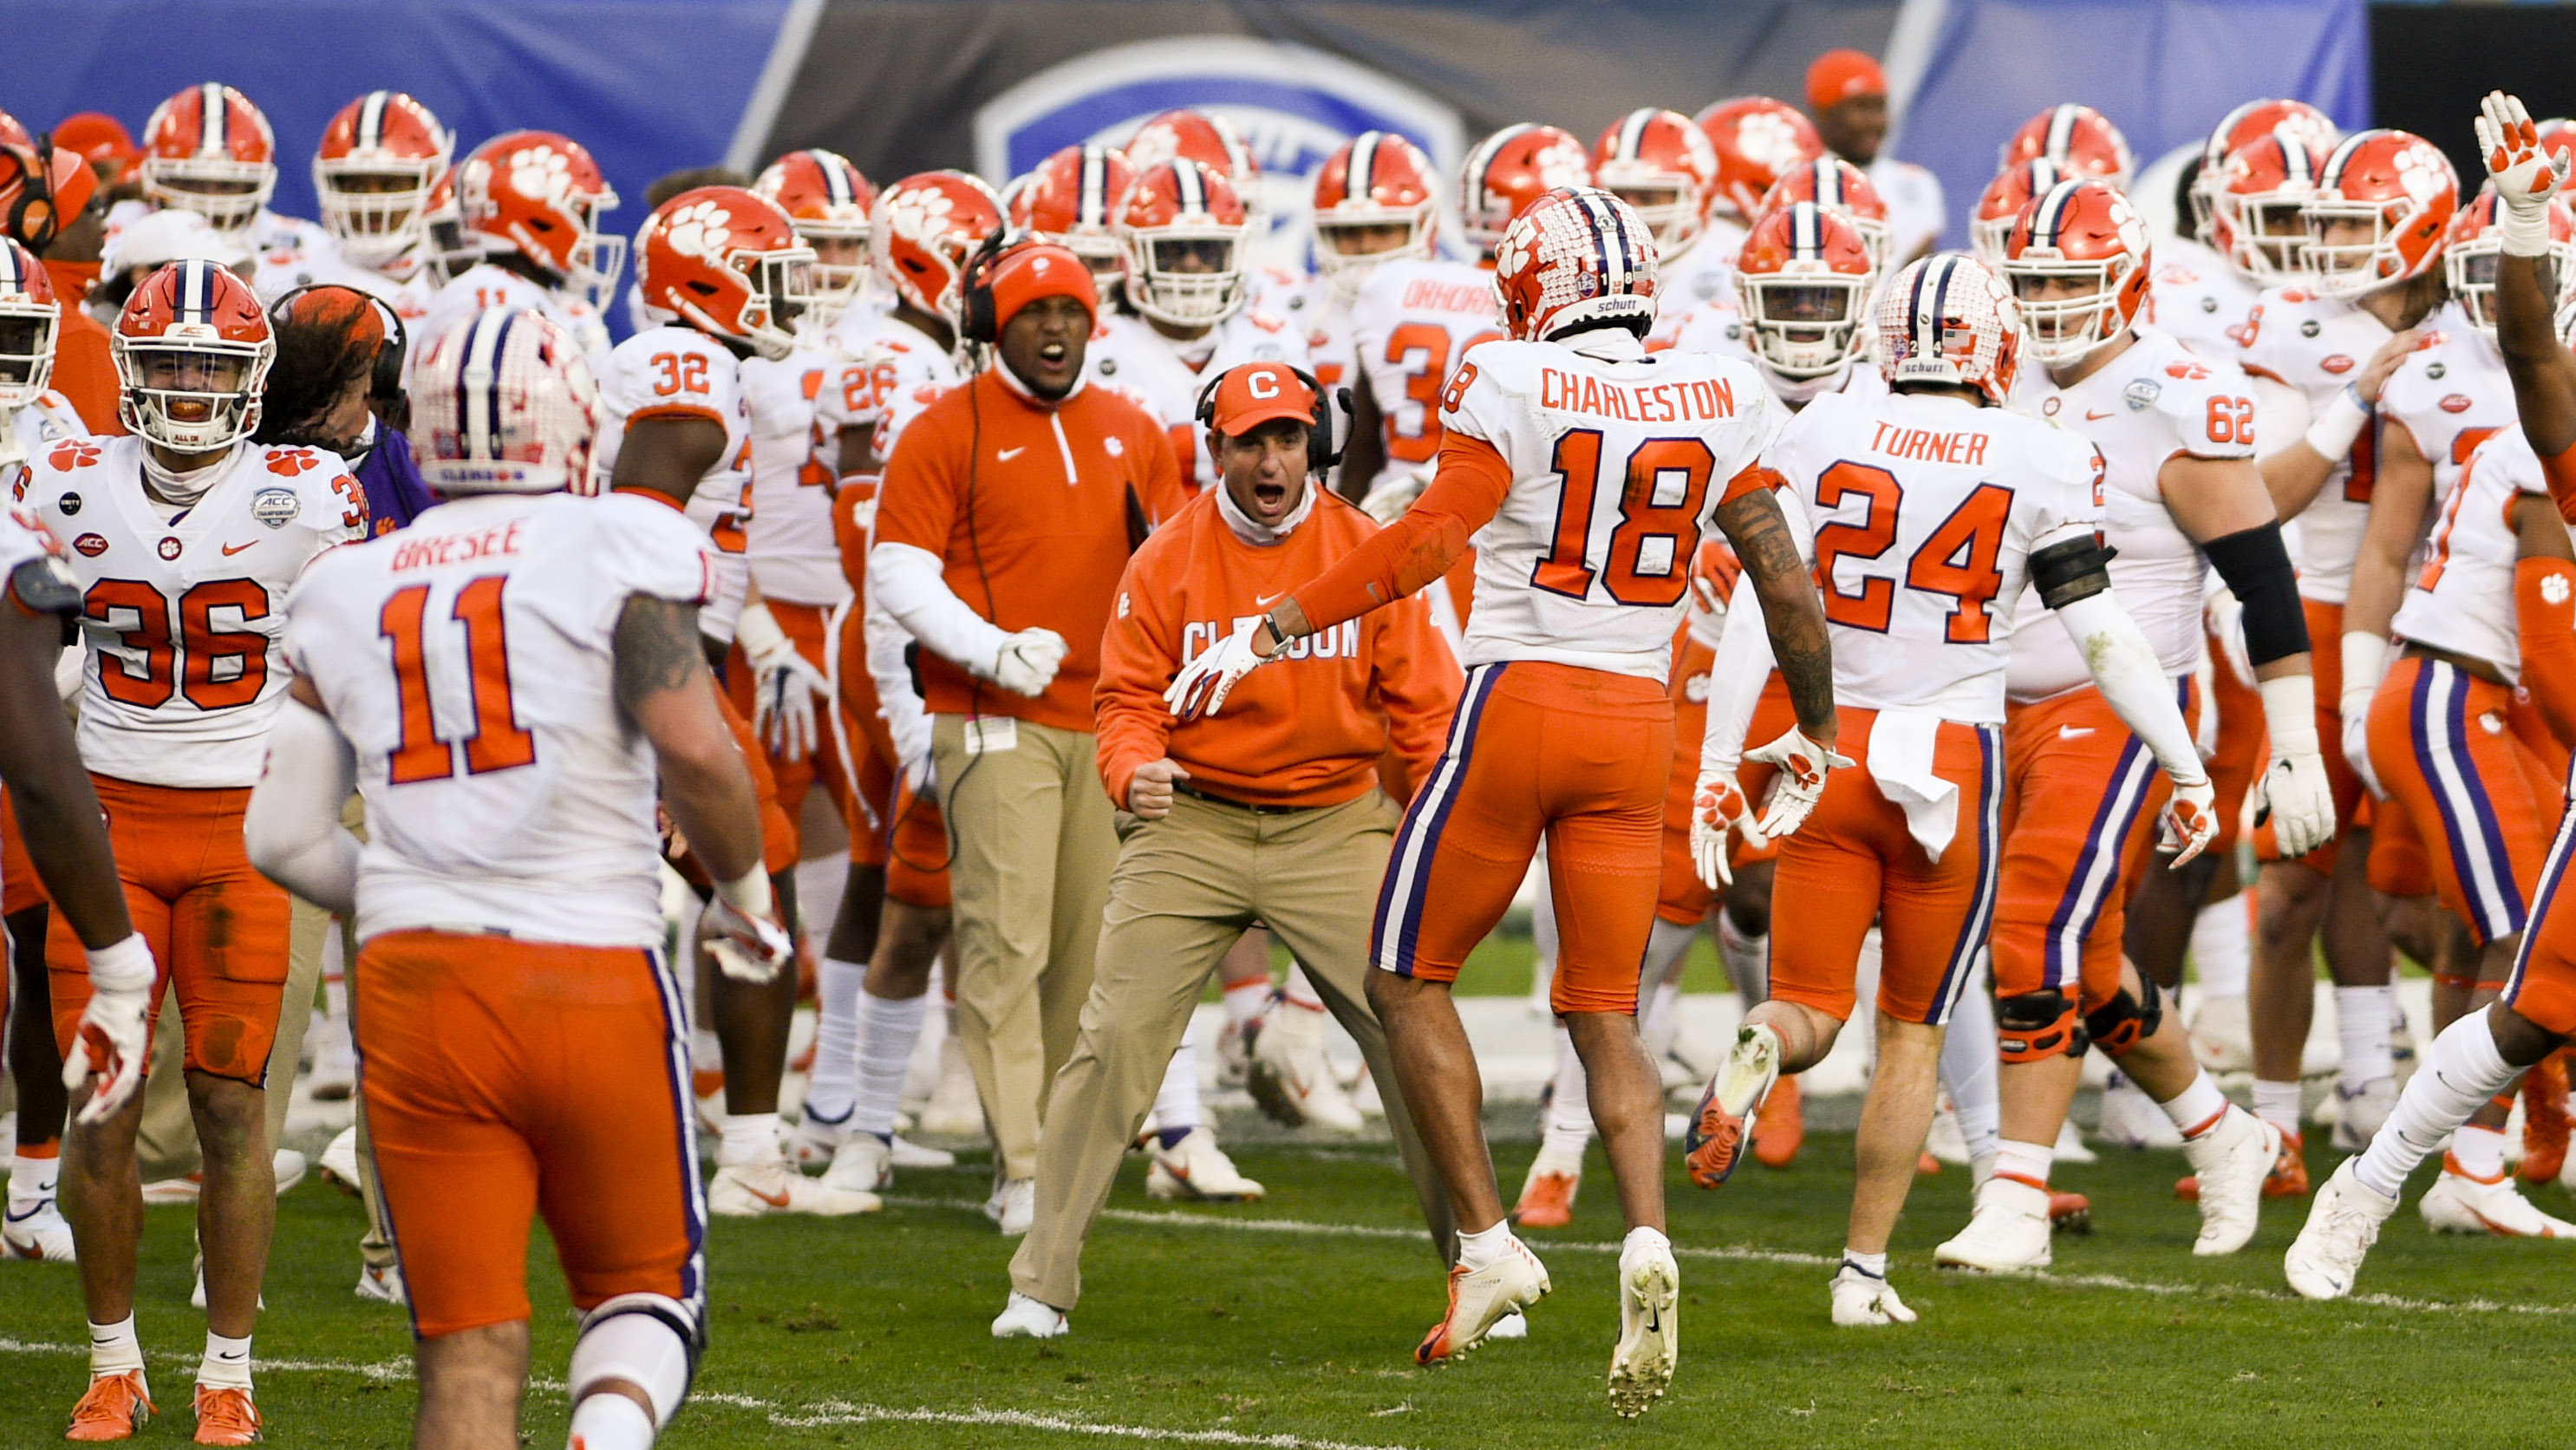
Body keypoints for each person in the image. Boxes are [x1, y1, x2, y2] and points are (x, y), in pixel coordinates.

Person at [1169, 186, 1836, 1416]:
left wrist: (1272, 625)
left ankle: (1486, 1245)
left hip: (1519, 702)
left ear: (1532, 287)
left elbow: (1423, 542)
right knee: (1602, 1009)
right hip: (1636, 722)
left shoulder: (1515, 377)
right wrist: (1817, 724)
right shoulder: (1719, 389)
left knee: (1402, 978)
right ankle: (1644, 1239)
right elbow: (1783, 586)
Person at [248, 302, 786, 1450]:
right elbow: (695, 747)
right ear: (575, 416)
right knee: (644, 1300)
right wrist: (746, 898)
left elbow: (283, 839)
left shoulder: (348, 584)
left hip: (417, 986)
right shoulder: (621, 544)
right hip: (586, 964)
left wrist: (403, 888)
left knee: (467, 1349)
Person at [1692, 251, 2214, 1323]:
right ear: (1996, 344)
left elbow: (1762, 601)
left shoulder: (1826, 425)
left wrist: (1712, 763)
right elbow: (2101, 634)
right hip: (1950, 761)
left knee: (1811, 1008)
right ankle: (1860, 1277)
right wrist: (2182, 760)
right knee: (1913, 1033)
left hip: (1831, 747)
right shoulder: (2039, 451)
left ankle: (1763, 1045)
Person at [992, 360, 1464, 1336]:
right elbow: (1123, 701)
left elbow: (1423, 712)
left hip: (1336, 818)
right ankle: (1039, 1282)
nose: (1270, 458)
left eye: (1288, 437)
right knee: (1113, 1035)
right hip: (1194, 820)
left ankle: (1479, 1267)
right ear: (1214, 448)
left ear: (1314, 443)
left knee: (1414, 1034)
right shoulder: (1165, 558)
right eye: (1250, 439)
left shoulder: (1366, 551)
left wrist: (1437, 834)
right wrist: (1133, 771)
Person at [1927, 180, 2320, 1272]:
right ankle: (2223, 1131)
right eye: (2034, 281)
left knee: (2031, 936)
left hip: (2119, 709)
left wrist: (2291, 741)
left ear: (2129, 282)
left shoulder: (2171, 393)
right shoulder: (1985, 385)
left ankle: (2015, 1197)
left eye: (2070, 279)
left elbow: (2262, 580)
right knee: (2088, 960)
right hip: (1989, 707)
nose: (2049, 303)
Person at [27, 258, 367, 1444]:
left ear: (249, 381)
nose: (182, 388)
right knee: (103, 1111)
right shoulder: (59, 480)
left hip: (241, 839)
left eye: (208, 367)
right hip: (107, 832)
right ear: (126, 370)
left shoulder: (310, 492)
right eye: (164, 363)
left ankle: (230, 1370)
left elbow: (353, 661)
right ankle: (113, 1363)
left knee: (231, 1109)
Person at [2286, 93, 2576, 1295]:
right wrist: (2516, 221)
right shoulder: (2530, 445)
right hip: (2480, 694)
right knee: (2532, 1001)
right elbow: (2530, 359)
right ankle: (2372, 1181)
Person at [869, 241, 1191, 1235]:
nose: (1054, 328)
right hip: (990, 715)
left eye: (1071, 310)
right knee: (1003, 944)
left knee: (1086, 956)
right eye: (1031, 311)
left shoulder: (1132, 428)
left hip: (1105, 725)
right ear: (987, 324)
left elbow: (1174, 567)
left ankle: (1053, 1148)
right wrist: (990, 647)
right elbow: (898, 570)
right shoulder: (943, 426)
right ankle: (1017, 1163)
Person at [594, 185, 863, 1217]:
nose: (789, 297)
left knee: (748, 879)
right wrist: (655, 692)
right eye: (770, 277)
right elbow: (631, 532)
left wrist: (744, 639)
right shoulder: (690, 371)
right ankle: (749, 1150)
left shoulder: (704, 366)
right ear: (708, 283)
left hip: (667, 653)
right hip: (641, 662)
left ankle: (742, 1135)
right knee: (755, 881)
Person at [2237, 127, 2457, 1186]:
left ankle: (2378, 1075)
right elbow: (2259, 498)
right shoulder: (2294, 333)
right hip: (2321, 617)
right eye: (2320, 219)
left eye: (2348, 221)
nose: (2323, 241)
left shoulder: (2480, 329)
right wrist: (2355, 395)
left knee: (2415, 889)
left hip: (2451, 624)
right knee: (2290, 886)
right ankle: (2271, 1124)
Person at [798, 170, 1002, 1192]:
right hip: (896, 646)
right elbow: (891, 545)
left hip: (874, 635)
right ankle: (841, 1109)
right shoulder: (908, 368)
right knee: (909, 876)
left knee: (887, 872)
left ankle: (837, 1107)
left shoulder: (880, 353)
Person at [419, 130, 617, 365]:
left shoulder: (552, 299)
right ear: (539, 218)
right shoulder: (486, 294)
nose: (588, 233)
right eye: (581, 213)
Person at [1804, 50, 1943, 264]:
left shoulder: (1915, 184)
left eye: (1880, 108)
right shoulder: (1795, 183)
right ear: (1824, 112)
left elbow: (1917, 274)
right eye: (1861, 108)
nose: (1874, 122)